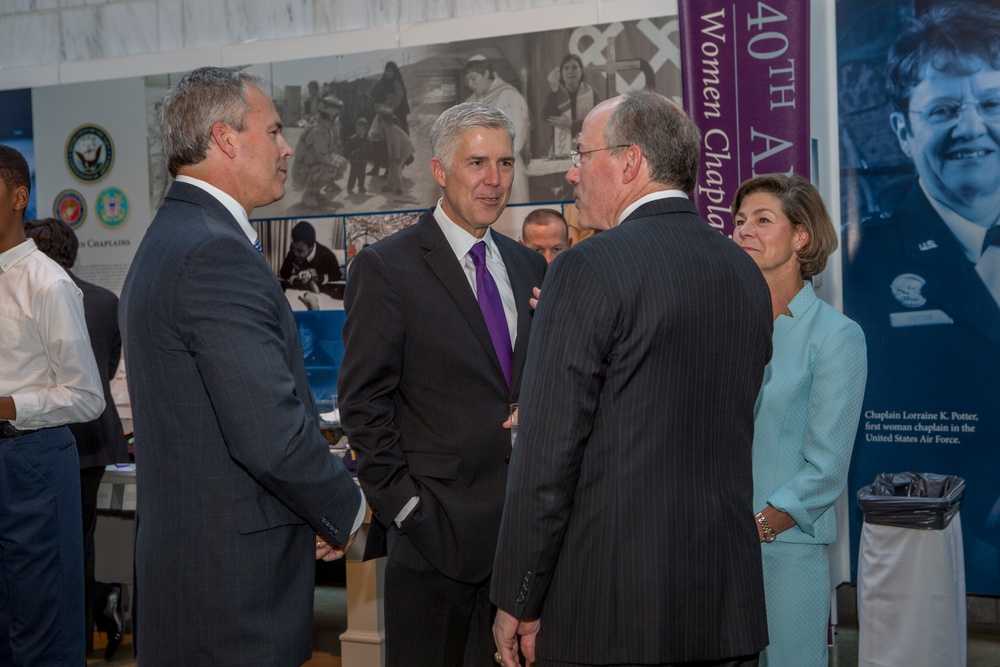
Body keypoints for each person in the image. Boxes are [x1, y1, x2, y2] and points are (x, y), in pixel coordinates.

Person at [490, 90, 773, 667]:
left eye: (581, 153)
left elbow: (547, 458)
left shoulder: (587, 267)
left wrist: (518, 596)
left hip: (612, 610)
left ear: (630, 162)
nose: (570, 171)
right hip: (723, 605)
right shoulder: (743, 272)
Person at [118, 66, 364, 667]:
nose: (287, 148)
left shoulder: (175, 236)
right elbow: (269, 433)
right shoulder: (213, 251)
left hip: (198, 575)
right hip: (229, 594)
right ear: (226, 139)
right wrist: (349, 509)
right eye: (275, 131)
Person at [338, 102, 547, 667]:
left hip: (522, 539)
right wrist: (404, 508)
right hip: (435, 539)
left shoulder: (531, 266)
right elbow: (362, 403)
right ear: (439, 170)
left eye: (505, 163)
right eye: (477, 162)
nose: (494, 179)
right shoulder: (387, 267)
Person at [842, 1, 1000, 584]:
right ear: (904, 132)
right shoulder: (857, 266)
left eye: (991, 103)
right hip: (930, 549)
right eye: (944, 109)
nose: (973, 127)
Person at [731, 174, 868, 667]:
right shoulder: (723, 329)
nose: (744, 230)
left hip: (785, 553)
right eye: (739, 220)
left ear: (801, 236)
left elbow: (825, 469)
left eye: (762, 220)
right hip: (717, 551)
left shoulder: (836, 337)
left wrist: (758, 528)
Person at [0, 145, 105, 665]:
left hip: (32, 461)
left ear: (19, 196)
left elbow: (86, 395)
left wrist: (8, 406)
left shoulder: (48, 282)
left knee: (42, 618)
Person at [23, 217, 131, 661]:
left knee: (46, 548)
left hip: (46, 437)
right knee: (76, 542)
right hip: (96, 437)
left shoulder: (34, 292)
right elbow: (102, 374)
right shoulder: (105, 300)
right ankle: (88, 629)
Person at [465, 55, 531, 203]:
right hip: (480, 170)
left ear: (487, 73)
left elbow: (518, 134)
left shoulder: (509, 96)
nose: (470, 84)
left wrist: (497, 161)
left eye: (474, 78)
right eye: (468, 79)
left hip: (505, 166)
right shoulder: (471, 101)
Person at [543, 53, 602, 157]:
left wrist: (571, 124)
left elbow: (598, 123)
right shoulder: (555, 94)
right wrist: (554, 91)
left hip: (587, 152)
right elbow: (546, 117)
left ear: (581, 71)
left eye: (575, 67)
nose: (570, 71)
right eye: (566, 68)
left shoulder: (593, 94)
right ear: (561, 73)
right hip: (561, 151)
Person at [293, 95, 348, 208]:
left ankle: (315, 192)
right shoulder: (317, 131)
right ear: (329, 115)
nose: (336, 118)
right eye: (334, 116)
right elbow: (323, 157)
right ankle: (307, 195)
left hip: (310, 166)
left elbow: (328, 152)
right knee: (331, 168)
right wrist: (338, 163)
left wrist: (339, 161)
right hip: (302, 171)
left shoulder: (324, 128)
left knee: (339, 163)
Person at [368, 61, 411, 178]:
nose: (388, 73)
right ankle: (376, 167)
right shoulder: (382, 83)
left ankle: (390, 170)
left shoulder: (397, 84)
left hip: (393, 118)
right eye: (387, 70)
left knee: (390, 143)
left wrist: (385, 105)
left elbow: (397, 99)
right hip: (380, 118)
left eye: (391, 71)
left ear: (394, 72)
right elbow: (374, 96)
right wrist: (376, 104)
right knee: (376, 140)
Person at [279, 219, 344, 295]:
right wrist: (295, 280)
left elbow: (337, 275)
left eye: (300, 251)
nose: (295, 254)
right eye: (294, 249)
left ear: (311, 247)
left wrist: (320, 277)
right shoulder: (294, 248)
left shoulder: (326, 255)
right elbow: (283, 271)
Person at [346, 116, 370, 194]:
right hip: (355, 160)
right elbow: (347, 149)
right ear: (356, 128)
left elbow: (370, 149)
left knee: (362, 174)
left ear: (365, 130)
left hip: (363, 160)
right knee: (353, 174)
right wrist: (350, 154)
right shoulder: (352, 139)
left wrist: (370, 158)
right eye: (358, 129)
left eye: (361, 130)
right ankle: (350, 187)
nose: (359, 131)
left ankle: (361, 186)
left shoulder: (367, 139)